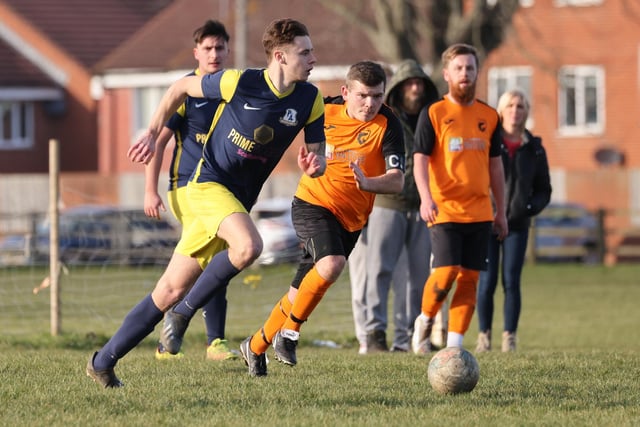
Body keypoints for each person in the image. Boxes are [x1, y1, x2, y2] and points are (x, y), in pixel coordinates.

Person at [85, 18, 326, 388]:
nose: (313, 58)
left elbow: (317, 156)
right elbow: (180, 87)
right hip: (206, 185)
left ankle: (103, 361)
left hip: (235, 199)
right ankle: (183, 314)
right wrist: (151, 132)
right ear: (280, 55)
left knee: (168, 290)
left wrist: (314, 164)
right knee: (248, 246)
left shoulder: (310, 99)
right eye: (304, 52)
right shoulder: (240, 81)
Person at [241, 60, 405, 376]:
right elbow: (280, 117)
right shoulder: (323, 108)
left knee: (298, 293)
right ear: (345, 92)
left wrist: (368, 183)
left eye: (377, 96)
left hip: (352, 219)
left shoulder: (388, 124)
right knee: (332, 264)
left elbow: (397, 179)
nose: (370, 104)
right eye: (362, 96)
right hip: (312, 203)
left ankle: (255, 346)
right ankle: (289, 335)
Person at [142, 20, 237, 361]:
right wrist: (149, 191)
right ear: (197, 52)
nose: (214, 54)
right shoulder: (185, 90)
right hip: (186, 188)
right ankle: (209, 341)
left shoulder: (233, 89)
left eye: (220, 48)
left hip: (221, 190)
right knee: (211, 260)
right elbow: (159, 142)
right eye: (208, 48)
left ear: (229, 50)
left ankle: (186, 340)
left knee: (218, 261)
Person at [411, 43, 508, 354]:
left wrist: (501, 211)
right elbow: (420, 161)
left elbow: (496, 166)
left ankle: (454, 348)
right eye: (459, 68)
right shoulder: (434, 113)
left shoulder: (489, 116)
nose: (465, 73)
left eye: (470, 68)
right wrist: (425, 199)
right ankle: (425, 321)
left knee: (469, 279)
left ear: (477, 72)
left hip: (480, 212)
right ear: (447, 74)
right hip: (444, 210)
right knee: (446, 272)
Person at [348, 59, 441, 354]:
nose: (415, 88)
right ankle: (375, 333)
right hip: (387, 203)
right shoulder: (386, 120)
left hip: (422, 205)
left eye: (420, 83)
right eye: (409, 83)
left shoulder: (432, 118)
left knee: (418, 277)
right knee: (379, 270)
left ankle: (410, 335)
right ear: (399, 89)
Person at [475, 89, 552, 353]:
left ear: (526, 111)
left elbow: (544, 189)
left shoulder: (534, 148)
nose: (515, 111)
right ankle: (484, 336)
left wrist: (528, 207)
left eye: (520, 106)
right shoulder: (488, 142)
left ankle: (510, 337)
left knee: (511, 280)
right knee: (486, 282)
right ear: (501, 109)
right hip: (487, 221)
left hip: (517, 225)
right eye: (510, 105)